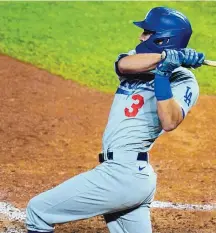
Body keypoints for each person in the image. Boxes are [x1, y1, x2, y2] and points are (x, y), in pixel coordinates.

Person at [25, 6, 205, 233]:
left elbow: (169, 121)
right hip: (130, 177)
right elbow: (122, 64)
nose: (141, 36)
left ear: (162, 39)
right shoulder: (139, 60)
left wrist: (164, 74)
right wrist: (165, 59)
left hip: (123, 174)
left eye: (147, 32)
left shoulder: (184, 81)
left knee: (37, 211)